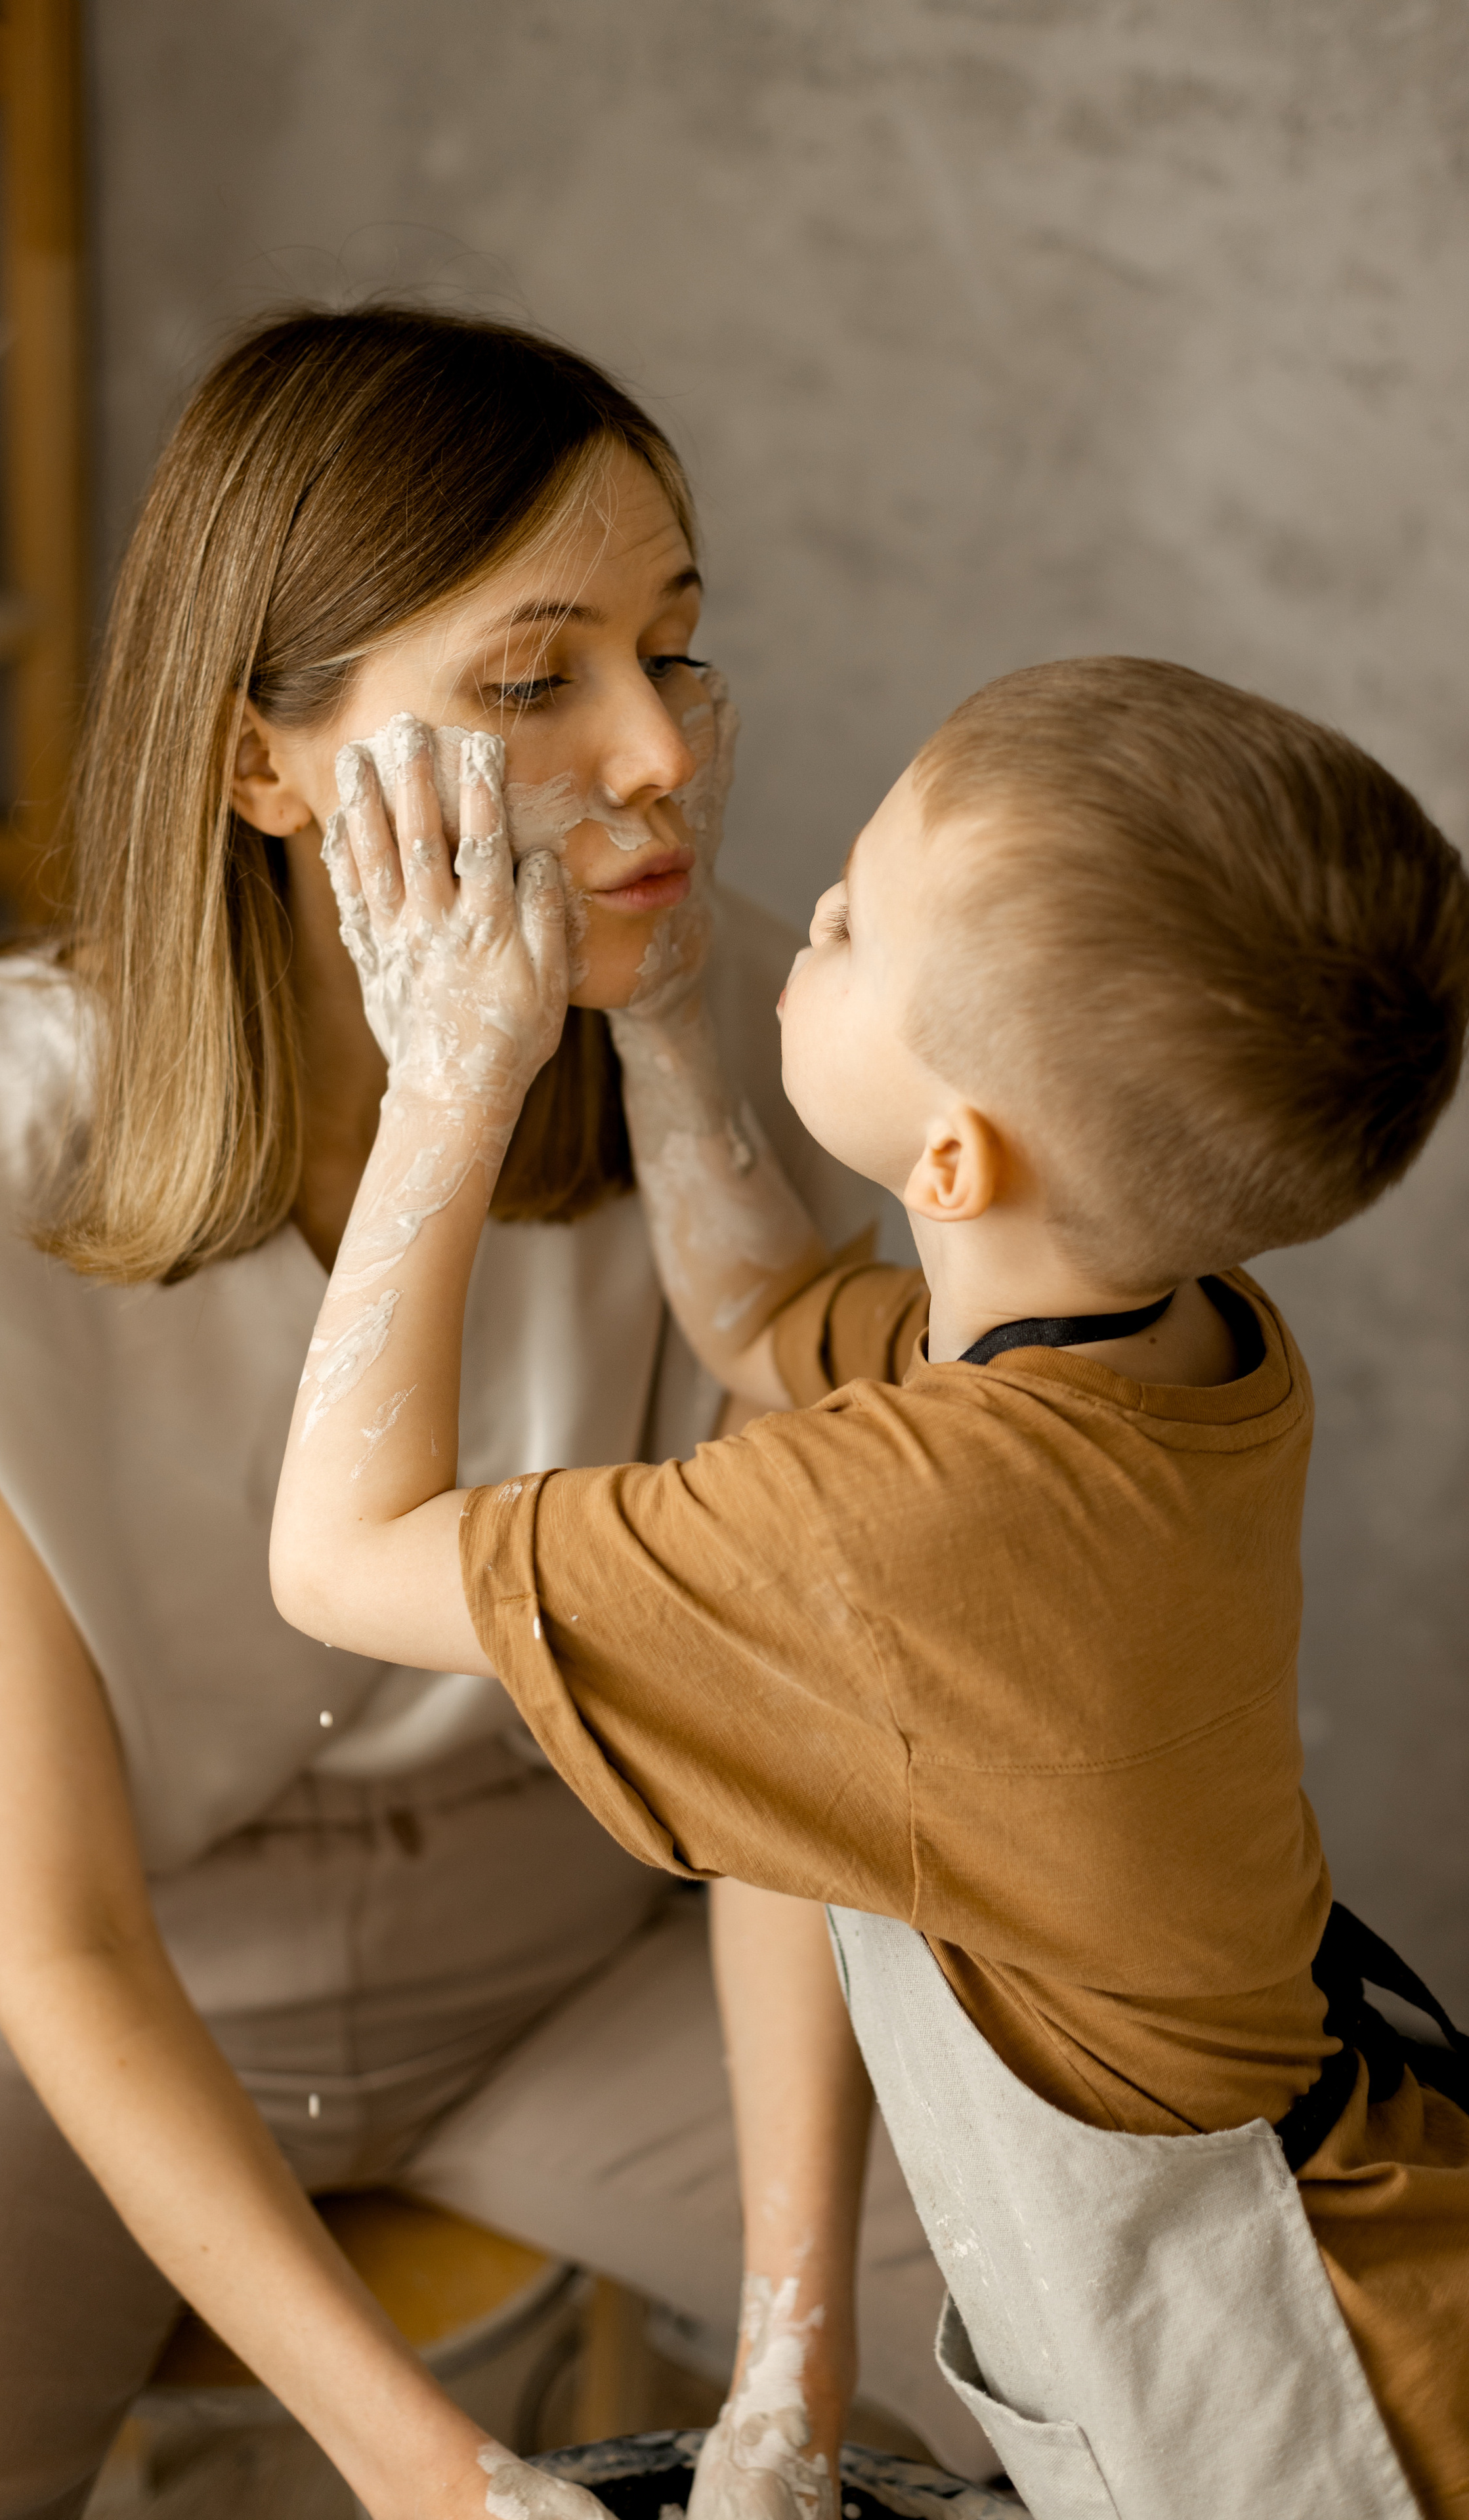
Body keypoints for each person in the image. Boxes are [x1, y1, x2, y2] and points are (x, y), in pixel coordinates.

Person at [0, 308, 983, 2520]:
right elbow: (57, 1937)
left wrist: (788, 2390)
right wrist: (438, 2478)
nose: (656, 750)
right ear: (265, 767)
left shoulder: (742, 1037)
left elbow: (776, 1781)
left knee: (1166, 2353)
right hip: (108, 1992)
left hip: (584, 1953)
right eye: (535, 683)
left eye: (674, 650)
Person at [268, 654, 1469, 2519]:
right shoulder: (1170, 1341)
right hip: (1375, 2221)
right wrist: (667, 1013)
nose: (805, 911)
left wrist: (451, 1073)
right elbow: (762, 1315)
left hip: (1314, 2394)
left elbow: (337, 1561)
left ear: (954, 1157)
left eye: (848, 925)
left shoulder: (897, 1538)